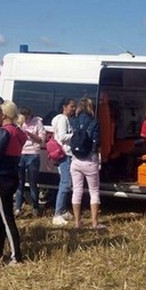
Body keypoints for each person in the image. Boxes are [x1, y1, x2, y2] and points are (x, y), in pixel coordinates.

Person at [0, 101, 26, 266]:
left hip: (2, 177)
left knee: (6, 217)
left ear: (3, 115)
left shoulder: (3, 132)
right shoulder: (18, 131)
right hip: (11, 174)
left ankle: (16, 256)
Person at [70, 97, 104, 229]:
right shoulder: (94, 121)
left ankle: (77, 222)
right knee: (94, 191)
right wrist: (97, 155)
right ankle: (95, 223)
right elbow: (96, 142)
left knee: (77, 190)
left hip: (76, 161)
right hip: (90, 160)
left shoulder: (73, 120)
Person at [14, 106, 46, 217]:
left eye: (26, 117)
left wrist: (29, 134)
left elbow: (42, 140)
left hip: (33, 154)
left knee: (33, 182)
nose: (25, 120)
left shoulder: (37, 123)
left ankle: (35, 208)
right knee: (19, 182)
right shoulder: (18, 123)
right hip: (20, 153)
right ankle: (17, 208)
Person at [51, 98, 76, 226]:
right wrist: (76, 135)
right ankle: (57, 214)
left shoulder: (62, 119)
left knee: (66, 183)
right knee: (65, 184)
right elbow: (62, 136)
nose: (73, 109)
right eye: (71, 106)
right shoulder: (63, 119)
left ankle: (63, 209)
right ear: (64, 107)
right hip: (65, 154)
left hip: (65, 153)